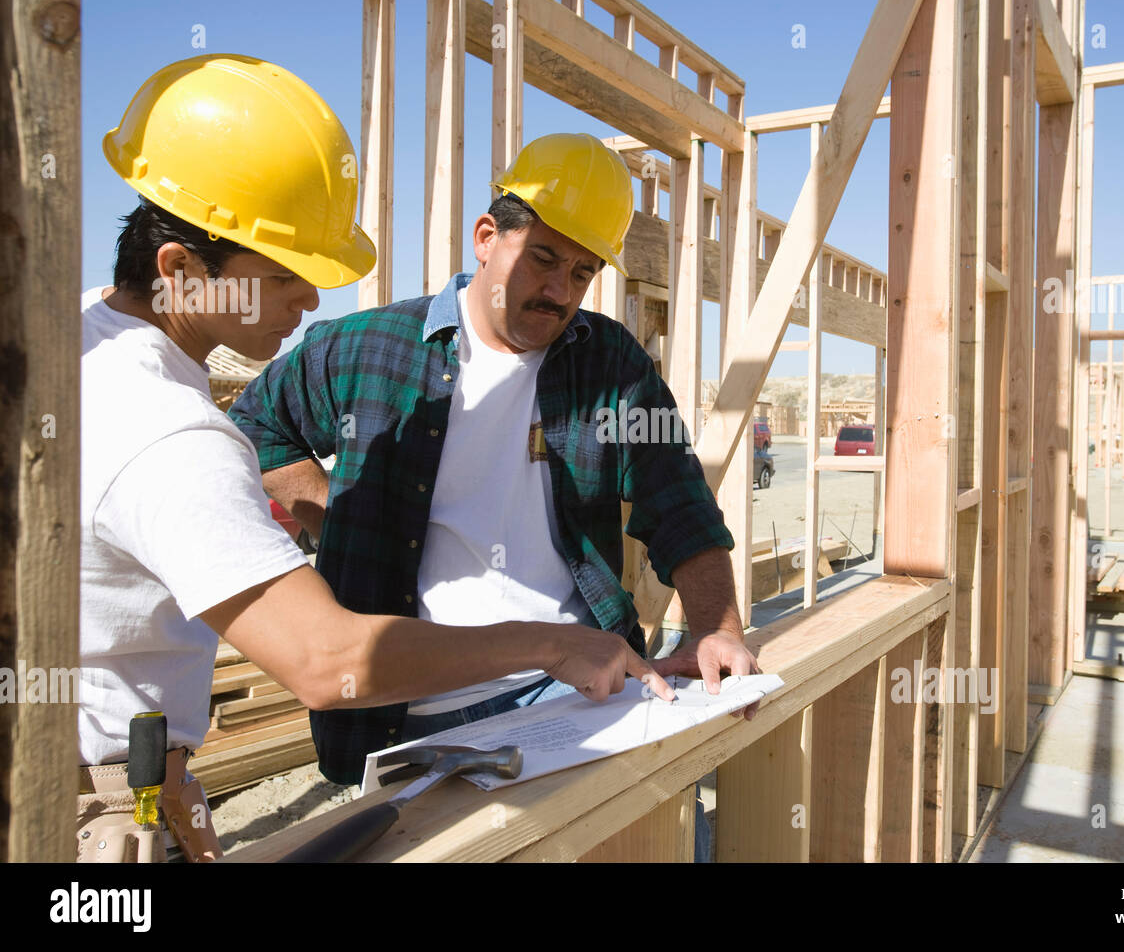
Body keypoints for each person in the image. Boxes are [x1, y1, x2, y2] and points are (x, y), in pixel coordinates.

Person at [79, 58, 671, 864]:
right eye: (285, 274)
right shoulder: (176, 434)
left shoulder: (79, 344)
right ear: (180, 270)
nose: (308, 300)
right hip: (107, 810)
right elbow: (326, 662)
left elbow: (675, 494)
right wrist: (550, 643)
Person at [229, 133, 761, 800]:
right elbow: (255, 428)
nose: (559, 291)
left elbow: (677, 499)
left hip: (579, 686)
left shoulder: (609, 363)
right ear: (486, 236)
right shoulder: (365, 348)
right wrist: (339, 515)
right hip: (414, 717)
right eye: (543, 258)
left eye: (582, 272)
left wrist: (717, 627)